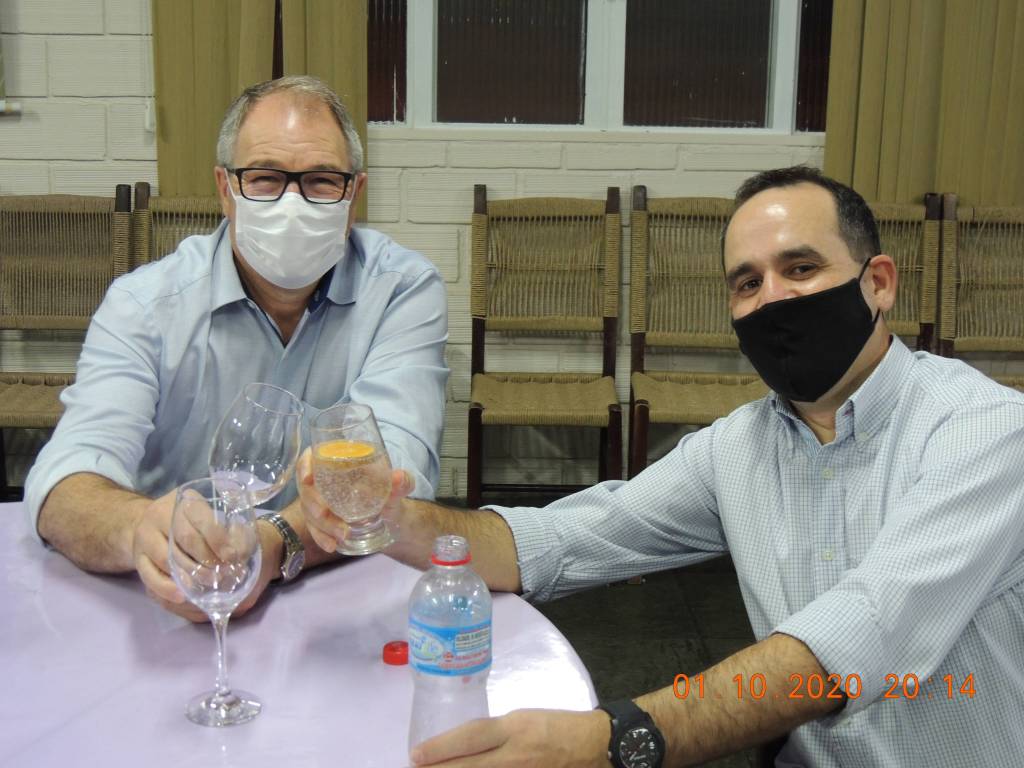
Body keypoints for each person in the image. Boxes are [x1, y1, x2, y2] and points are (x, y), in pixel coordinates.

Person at [300, 166, 1024, 767]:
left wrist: (612, 739)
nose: (773, 298)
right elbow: (563, 539)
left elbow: (859, 632)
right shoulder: (739, 448)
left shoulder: (985, 431)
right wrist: (392, 516)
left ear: (879, 283)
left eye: (801, 268)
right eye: (747, 283)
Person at [27, 75, 449, 622]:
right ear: (225, 189)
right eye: (266, 178)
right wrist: (139, 529)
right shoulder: (144, 305)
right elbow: (67, 481)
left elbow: (390, 479)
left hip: (344, 606)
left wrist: (272, 544)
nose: (293, 204)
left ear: (353, 195)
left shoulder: (401, 290)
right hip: (176, 601)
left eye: (322, 181)